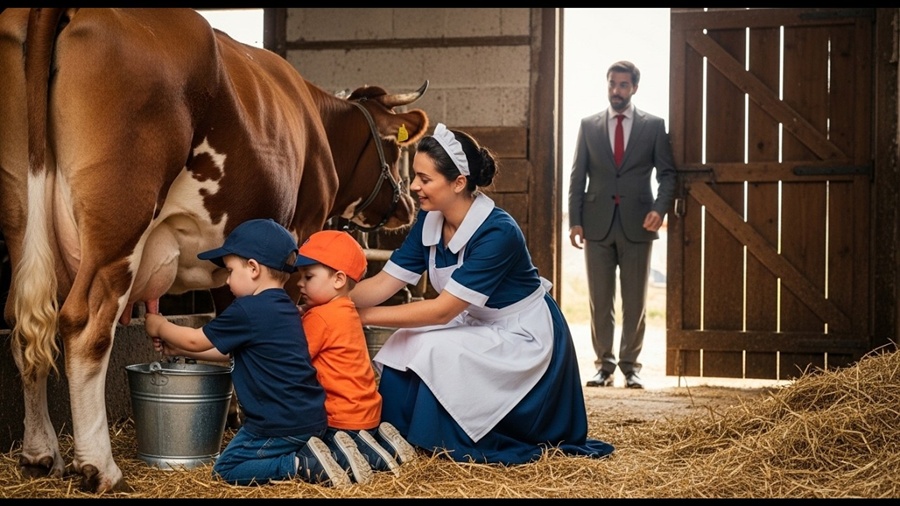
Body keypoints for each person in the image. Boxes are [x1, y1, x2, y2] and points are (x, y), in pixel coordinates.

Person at [349, 123, 615, 465]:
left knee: (435, 347)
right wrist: (328, 301)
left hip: (523, 334)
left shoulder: (498, 232)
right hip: (479, 322)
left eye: (424, 179)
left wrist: (359, 317)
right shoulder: (430, 221)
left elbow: (442, 311)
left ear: (459, 182)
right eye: (415, 176)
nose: (413, 186)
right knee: (404, 340)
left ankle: (437, 439)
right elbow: (383, 283)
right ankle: (394, 434)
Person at [144, 218, 351, 488]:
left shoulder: (248, 309)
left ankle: (300, 465)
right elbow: (237, 353)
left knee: (226, 469)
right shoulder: (285, 308)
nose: (228, 280)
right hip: (309, 418)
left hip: (277, 424)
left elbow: (195, 340)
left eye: (230, 271)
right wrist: (178, 348)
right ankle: (327, 455)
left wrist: (159, 325)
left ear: (253, 268)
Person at [568, 60, 677, 390]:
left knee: (635, 301)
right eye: (612, 84)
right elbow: (577, 176)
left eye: (623, 85)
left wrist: (660, 209)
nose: (616, 91)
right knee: (600, 301)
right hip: (596, 225)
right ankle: (604, 366)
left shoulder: (653, 126)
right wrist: (575, 221)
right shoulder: (588, 125)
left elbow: (667, 175)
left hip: (639, 224)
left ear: (634, 88)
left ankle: (631, 367)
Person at [293, 229, 416, 483]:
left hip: (339, 417)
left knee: (321, 449)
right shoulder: (346, 309)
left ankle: (376, 457)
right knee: (356, 439)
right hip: (366, 412)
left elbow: (296, 357)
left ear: (338, 279)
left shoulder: (320, 317)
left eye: (308, 276)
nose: (299, 283)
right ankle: (386, 444)